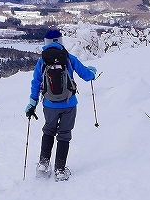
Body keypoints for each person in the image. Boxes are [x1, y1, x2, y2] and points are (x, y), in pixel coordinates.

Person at [26, 28, 97, 181]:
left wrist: (32, 103)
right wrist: (92, 72)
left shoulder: (42, 61)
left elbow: (36, 83)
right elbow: (86, 75)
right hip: (69, 104)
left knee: (49, 131)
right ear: (60, 41)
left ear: (46, 43)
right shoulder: (69, 58)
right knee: (64, 135)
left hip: (49, 105)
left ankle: (43, 164)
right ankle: (60, 169)